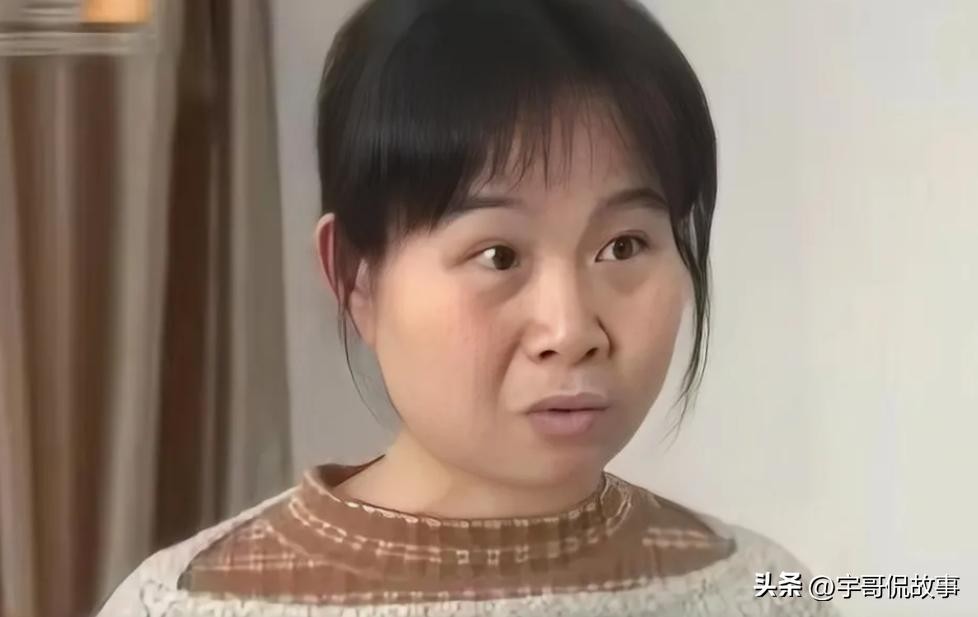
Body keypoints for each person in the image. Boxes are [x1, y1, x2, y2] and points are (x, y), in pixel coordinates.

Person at [99, 0, 840, 614]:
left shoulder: (766, 591)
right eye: (498, 256)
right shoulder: (185, 604)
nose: (570, 332)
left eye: (623, 246)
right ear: (355, 275)